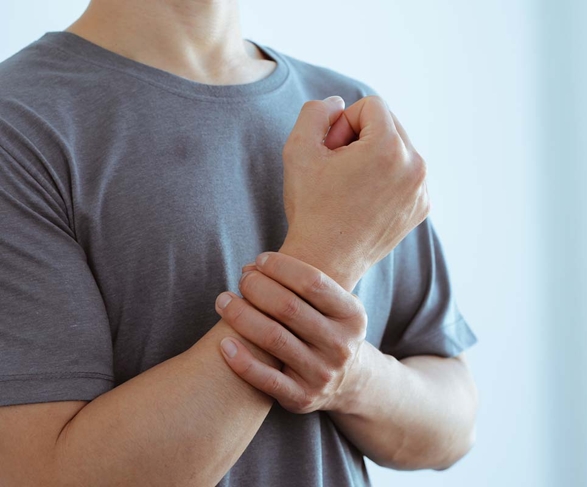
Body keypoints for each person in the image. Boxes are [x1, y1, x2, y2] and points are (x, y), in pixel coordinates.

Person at [0, 0, 478, 485]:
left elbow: (455, 424)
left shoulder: (353, 115)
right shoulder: (17, 125)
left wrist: (350, 376)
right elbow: (44, 473)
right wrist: (326, 255)